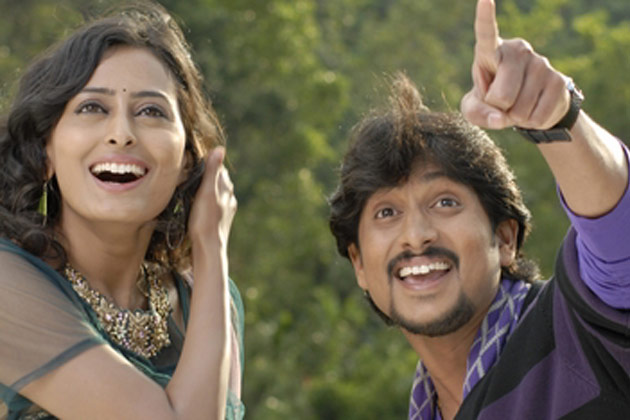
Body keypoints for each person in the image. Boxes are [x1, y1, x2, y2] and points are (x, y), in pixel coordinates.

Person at [329, 0, 630, 418]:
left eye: (445, 202)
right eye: (386, 213)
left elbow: (619, 239)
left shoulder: (583, 333)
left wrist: (558, 120)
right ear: (359, 264)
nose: (416, 235)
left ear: (504, 238)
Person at [0, 2, 244, 419]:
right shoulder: (9, 286)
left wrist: (211, 261)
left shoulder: (205, 295)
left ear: (187, 161)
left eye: (151, 111)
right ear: (45, 152)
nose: (121, 134)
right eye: (92, 108)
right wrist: (210, 244)